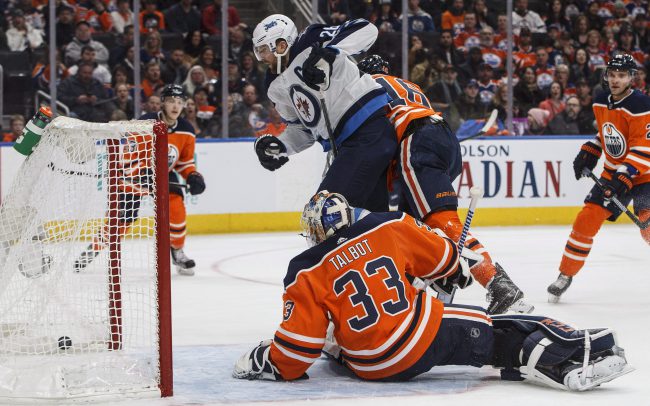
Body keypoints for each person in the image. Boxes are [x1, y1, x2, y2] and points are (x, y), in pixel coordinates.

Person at [232, 191, 632, 391]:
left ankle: (547, 363)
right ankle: (577, 351)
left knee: (473, 338)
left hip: (366, 364)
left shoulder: (303, 269)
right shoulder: (386, 226)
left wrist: (265, 357)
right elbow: (445, 260)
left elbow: (296, 354)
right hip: (411, 337)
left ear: (315, 232)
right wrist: (453, 270)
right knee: (499, 325)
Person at [358, 55, 532, 315]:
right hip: (445, 139)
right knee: (414, 224)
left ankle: (497, 283)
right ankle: (441, 279)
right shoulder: (409, 87)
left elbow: (375, 139)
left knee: (441, 221)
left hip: (415, 143)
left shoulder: (367, 86)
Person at [251, 14, 396, 212]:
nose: (261, 58)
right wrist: (281, 145)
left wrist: (329, 52)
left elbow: (366, 29)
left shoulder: (311, 39)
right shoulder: (274, 85)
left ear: (281, 44)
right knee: (370, 222)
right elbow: (302, 128)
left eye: (264, 50)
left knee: (324, 211)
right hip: (346, 147)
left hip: (369, 131)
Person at [548, 54, 650, 302]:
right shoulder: (600, 100)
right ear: (606, 76)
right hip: (613, 173)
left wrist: (623, 176)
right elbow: (607, 130)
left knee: (649, 227)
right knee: (585, 221)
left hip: (644, 175)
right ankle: (565, 275)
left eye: (622, 75)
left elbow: (643, 147)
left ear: (631, 78)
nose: (616, 80)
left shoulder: (640, 105)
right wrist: (592, 148)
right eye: (612, 75)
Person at [74, 85, 206, 276]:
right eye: (171, 101)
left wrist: (193, 176)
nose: (175, 106)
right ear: (162, 103)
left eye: (179, 102)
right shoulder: (144, 125)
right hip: (134, 174)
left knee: (176, 208)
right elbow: (128, 157)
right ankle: (94, 248)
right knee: (123, 218)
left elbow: (184, 162)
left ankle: (177, 251)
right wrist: (142, 172)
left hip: (163, 174)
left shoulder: (187, 130)